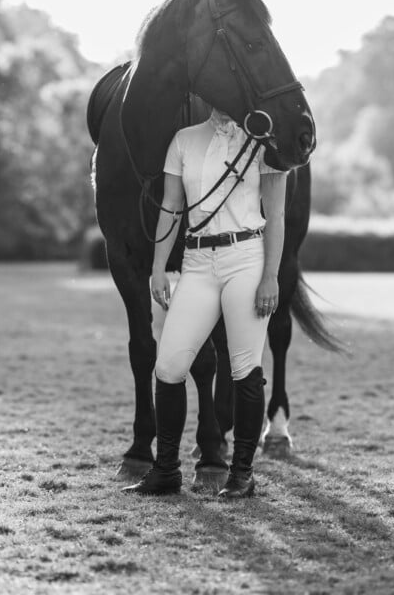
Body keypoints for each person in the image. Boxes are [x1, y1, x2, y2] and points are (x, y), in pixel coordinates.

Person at [122, 108, 287, 498]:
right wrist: (158, 267)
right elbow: (171, 207)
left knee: (245, 367)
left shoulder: (263, 138)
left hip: (246, 257)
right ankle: (166, 472)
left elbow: (276, 215)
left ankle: (242, 474)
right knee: (169, 364)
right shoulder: (183, 139)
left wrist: (270, 276)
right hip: (196, 261)